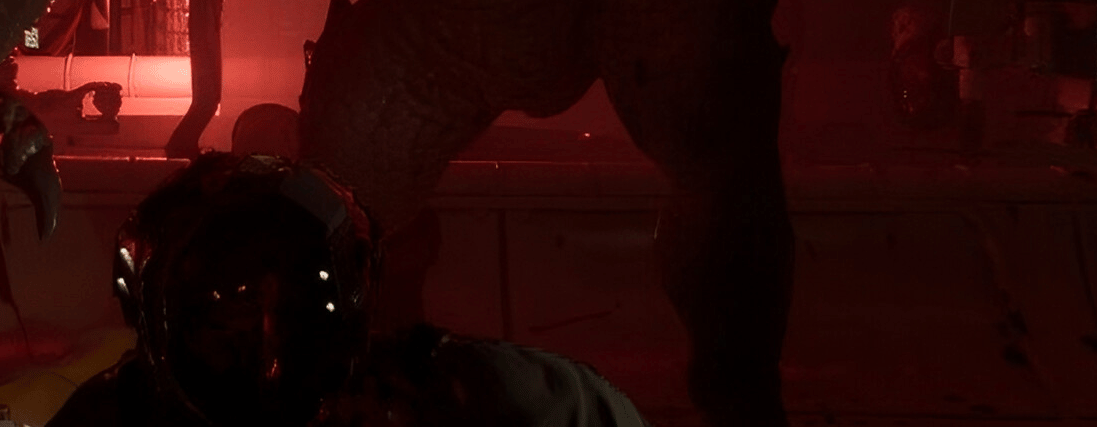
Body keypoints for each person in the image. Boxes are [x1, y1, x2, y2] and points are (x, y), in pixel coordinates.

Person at [50, 152, 649, 427]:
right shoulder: (493, 393)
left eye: (289, 305)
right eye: (237, 305)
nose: (268, 349)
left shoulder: (489, 396)